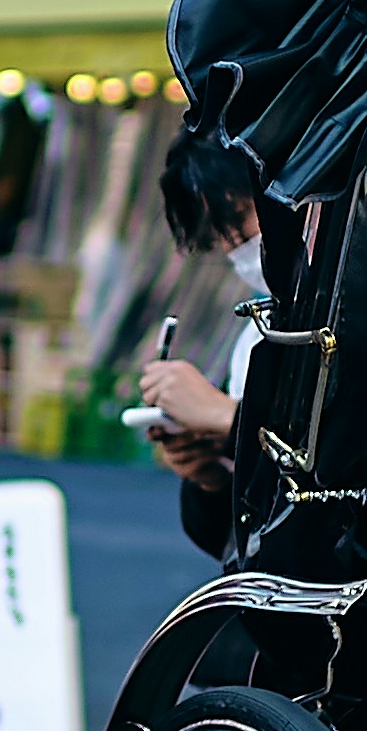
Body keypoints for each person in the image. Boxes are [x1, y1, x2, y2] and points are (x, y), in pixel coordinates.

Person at [132, 130, 277, 541]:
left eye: (241, 220)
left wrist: (227, 419)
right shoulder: (254, 334)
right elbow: (242, 536)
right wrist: (211, 477)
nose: (237, 248)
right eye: (221, 236)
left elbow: (354, 471)